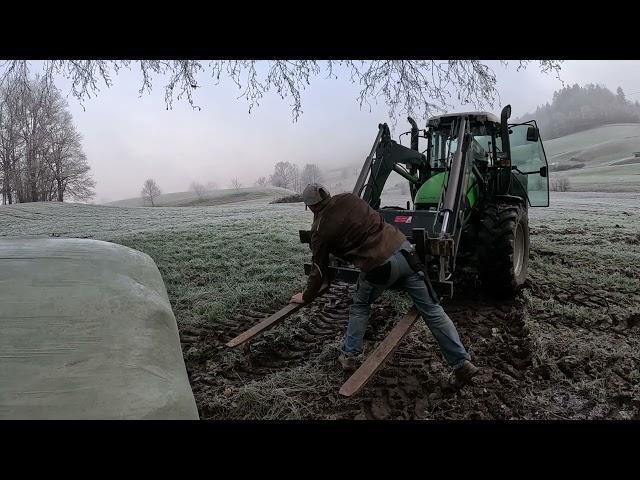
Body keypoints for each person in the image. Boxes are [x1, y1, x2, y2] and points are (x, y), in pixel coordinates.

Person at [290, 183, 479, 388]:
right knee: (433, 309)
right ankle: (461, 363)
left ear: (309, 207)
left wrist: (307, 296)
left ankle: (349, 356)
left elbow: (318, 270)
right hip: (406, 254)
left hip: (379, 267)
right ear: (327, 194)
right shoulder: (349, 198)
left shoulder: (319, 229)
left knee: (360, 305)